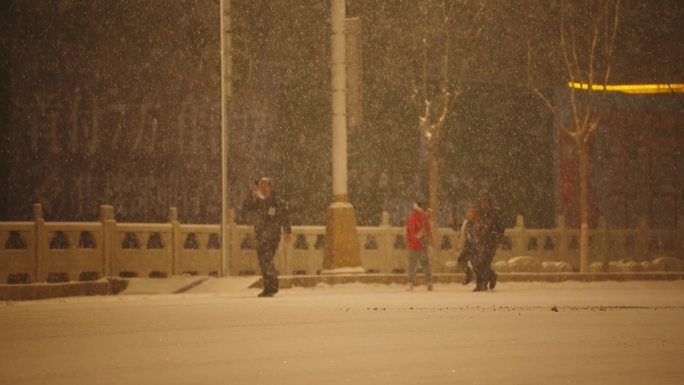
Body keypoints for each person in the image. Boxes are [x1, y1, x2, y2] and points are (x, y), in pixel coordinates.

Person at [242, 177, 292, 297]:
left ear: (270, 187)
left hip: (272, 235)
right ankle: (269, 287)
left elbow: (285, 217)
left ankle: (272, 286)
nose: (263, 188)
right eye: (261, 186)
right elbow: (246, 207)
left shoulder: (277, 201)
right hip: (261, 234)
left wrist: (287, 231)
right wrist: (251, 194)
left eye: (265, 185)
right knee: (263, 261)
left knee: (266, 260)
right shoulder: (258, 201)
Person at [473, 193, 505, 292]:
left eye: (486, 201)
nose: (484, 203)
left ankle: (483, 284)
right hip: (481, 242)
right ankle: (487, 279)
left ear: (489, 203)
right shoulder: (479, 214)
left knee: (485, 263)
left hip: (491, 242)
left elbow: (500, 228)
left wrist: (497, 239)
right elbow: (475, 226)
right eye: (482, 201)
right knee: (478, 264)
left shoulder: (494, 214)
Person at [405, 199, 434, 291]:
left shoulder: (413, 217)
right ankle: (429, 282)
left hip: (415, 242)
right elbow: (427, 229)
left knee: (413, 264)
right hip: (422, 241)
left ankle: (411, 283)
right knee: (425, 263)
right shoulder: (423, 217)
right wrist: (430, 239)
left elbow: (410, 231)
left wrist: (411, 241)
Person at [451, 206, 479, 286]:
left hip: (476, 247)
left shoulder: (477, 223)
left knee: (476, 264)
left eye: (471, 212)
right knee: (461, 260)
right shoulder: (466, 223)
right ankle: (469, 274)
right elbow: (459, 229)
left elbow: (478, 235)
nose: (469, 213)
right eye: (468, 212)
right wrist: (452, 225)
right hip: (467, 246)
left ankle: (488, 277)